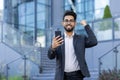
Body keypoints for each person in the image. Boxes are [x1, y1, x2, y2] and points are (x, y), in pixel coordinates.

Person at [48, 10, 98, 80]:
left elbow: (94, 42)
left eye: (71, 20)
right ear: (63, 23)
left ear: (75, 23)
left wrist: (86, 25)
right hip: (61, 76)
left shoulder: (81, 38)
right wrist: (52, 48)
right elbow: (50, 56)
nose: (69, 22)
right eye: (66, 20)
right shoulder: (57, 40)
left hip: (77, 76)